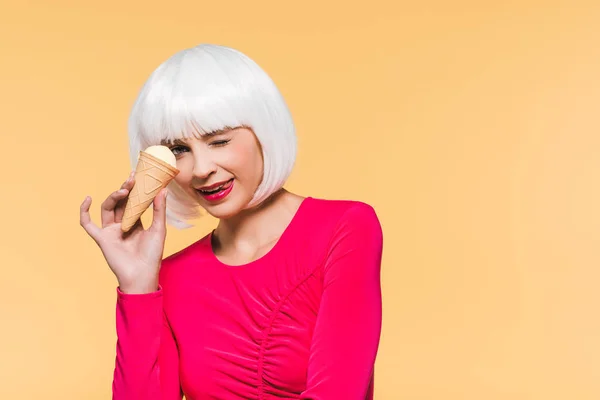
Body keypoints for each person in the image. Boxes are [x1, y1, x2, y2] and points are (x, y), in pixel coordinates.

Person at [79, 43, 383, 400]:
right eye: (179, 150)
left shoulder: (344, 228)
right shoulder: (171, 277)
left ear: (263, 132)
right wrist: (137, 288)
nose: (201, 169)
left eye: (218, 141)